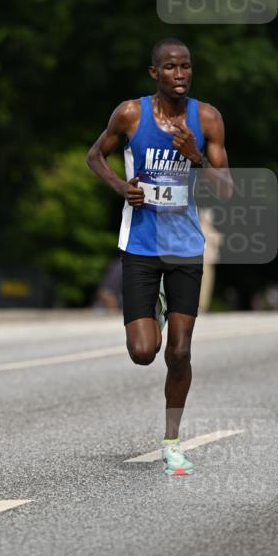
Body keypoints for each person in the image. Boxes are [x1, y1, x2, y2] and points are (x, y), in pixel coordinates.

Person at [86, 38, 232, 476]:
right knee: (143, 351)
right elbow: (95, 156)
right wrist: (122, 188)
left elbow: (226, 190)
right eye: (170, 67)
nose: (180, 74)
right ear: (155, 73)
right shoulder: (131, 114)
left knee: (180, 352)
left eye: (185, 66)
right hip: (141, 246)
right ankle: (157, 306)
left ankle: (171, 441)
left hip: (185, 247)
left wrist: (196, 158)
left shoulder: (207, 118)